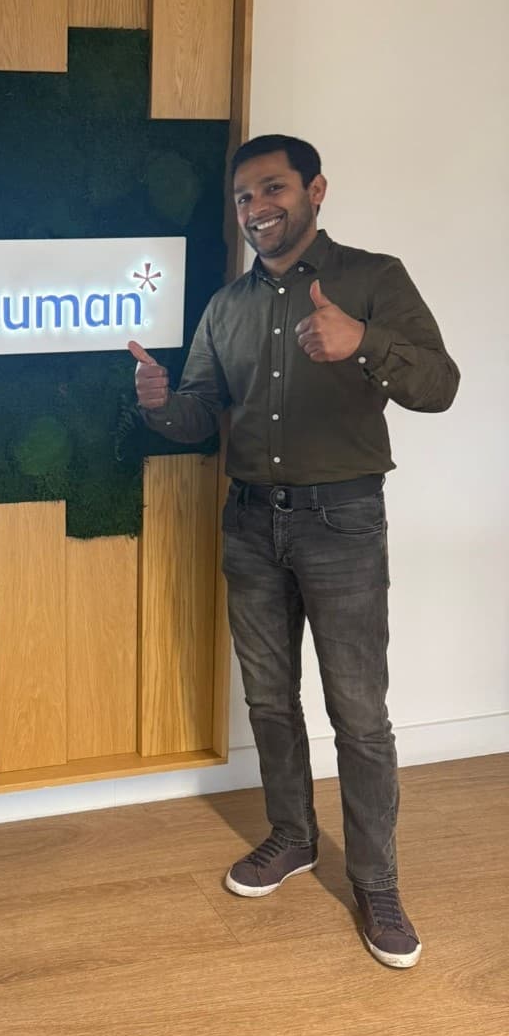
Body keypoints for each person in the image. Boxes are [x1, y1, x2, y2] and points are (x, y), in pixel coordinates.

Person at [129, 134, 458, 969]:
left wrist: (365, 344)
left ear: (315, 189)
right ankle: (293, 836)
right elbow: (203, 412)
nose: (255, 208)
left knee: (359, 712)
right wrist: (164, 404)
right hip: (249, 522)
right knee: (270, 700)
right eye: (243, 198)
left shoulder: (373, 279)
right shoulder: (226, 305)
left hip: (342, 521)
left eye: (270, 189)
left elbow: (441, 385)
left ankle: (377, 883)